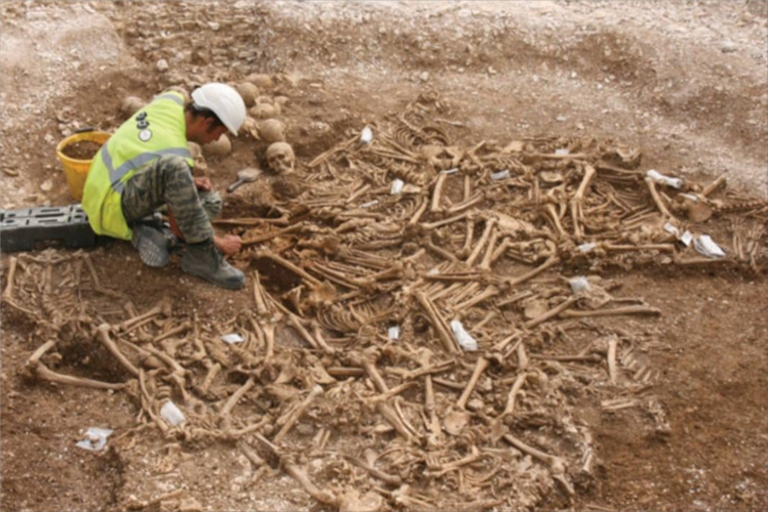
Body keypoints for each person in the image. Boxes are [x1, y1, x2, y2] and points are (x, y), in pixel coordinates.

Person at [82, 83, 246, 289]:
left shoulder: (171, 101)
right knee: (176, 169)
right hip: (108, 206)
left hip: (108, 185)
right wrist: (218, 242)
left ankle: (146, 227)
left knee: (210, 201)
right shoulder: (176, 153)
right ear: (208, 122)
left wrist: (186, 184)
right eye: (219, 133)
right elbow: (181, 229)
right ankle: (202, 258)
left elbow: (147, 148)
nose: (216, 140)